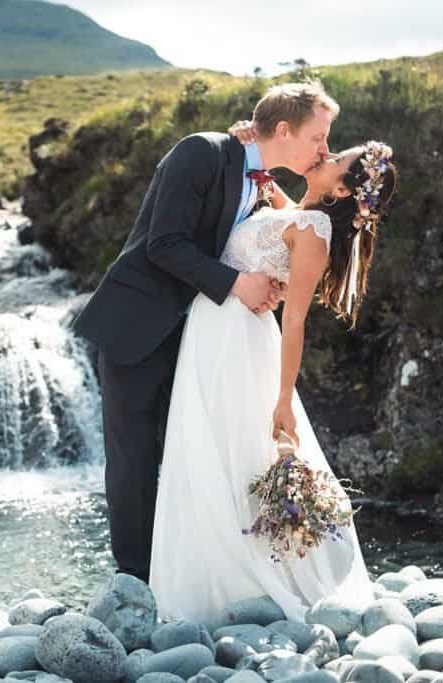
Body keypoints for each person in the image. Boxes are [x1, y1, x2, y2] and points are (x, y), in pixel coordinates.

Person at [72, 82, 339, 584]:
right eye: (318, 138)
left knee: (189, 452)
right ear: (284, 130)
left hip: (201, 339)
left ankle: (188, 576)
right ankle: (136, 580)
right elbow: (163, 243)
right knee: (133, 458)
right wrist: (239, 282)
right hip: (140, 325)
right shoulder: (201, 151)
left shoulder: (257, 178)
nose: (323, 150)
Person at [148, 125, 399, 625]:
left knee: (229, 450)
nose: (324, 153)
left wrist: (284, 398)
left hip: (239, 342)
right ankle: (206, 583)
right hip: (214, 331)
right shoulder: (299, 213)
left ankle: (243, 587)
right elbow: (268, 191)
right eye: (327, 145)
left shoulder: (316, 232)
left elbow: (297, 319)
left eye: (335, 158)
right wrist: (251, 139)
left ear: (344, 190)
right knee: (207, 447)